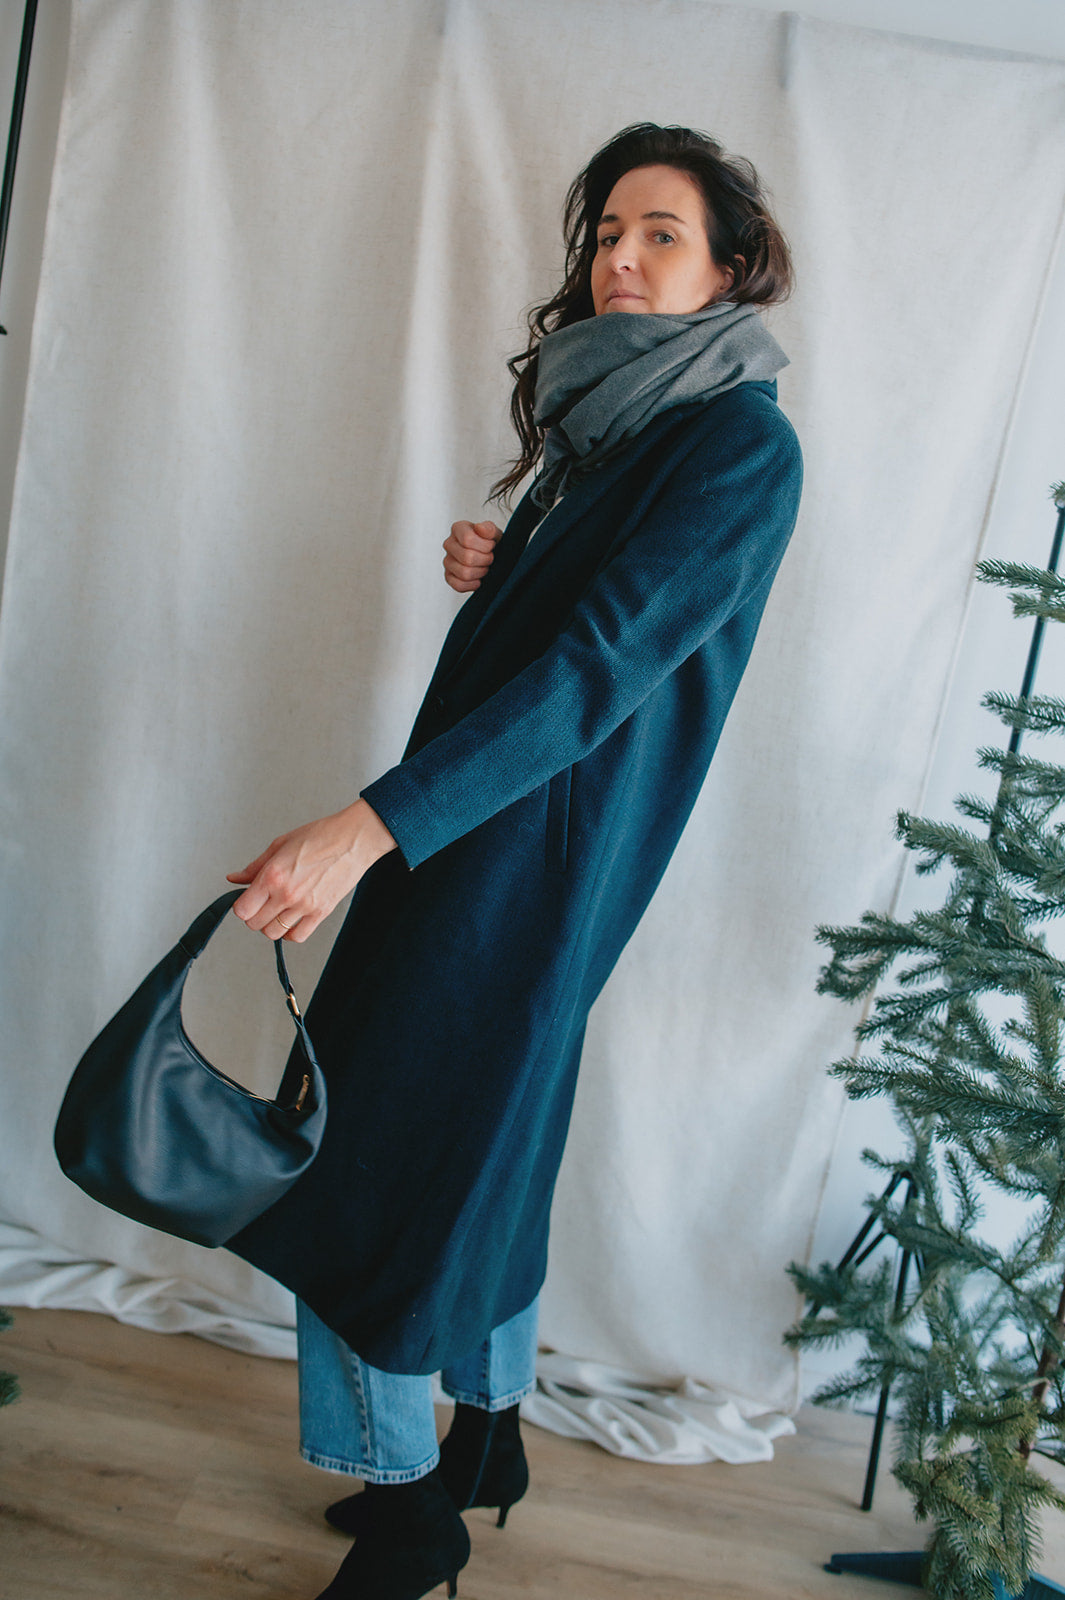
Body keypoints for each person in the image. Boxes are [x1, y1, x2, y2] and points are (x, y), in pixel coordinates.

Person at [225, 121, 803, 1600]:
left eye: (661, 233)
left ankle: (408, 1510)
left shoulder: (737, 442)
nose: (621, 258)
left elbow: (599, 671)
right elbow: (576, 621)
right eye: (608, 232)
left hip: (519, 865)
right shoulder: (613, 420)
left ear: (731, 265)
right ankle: (486, 1438)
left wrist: (366, 825)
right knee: (491, 1145)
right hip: (487, 841)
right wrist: (507, 566)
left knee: (364, 1168)